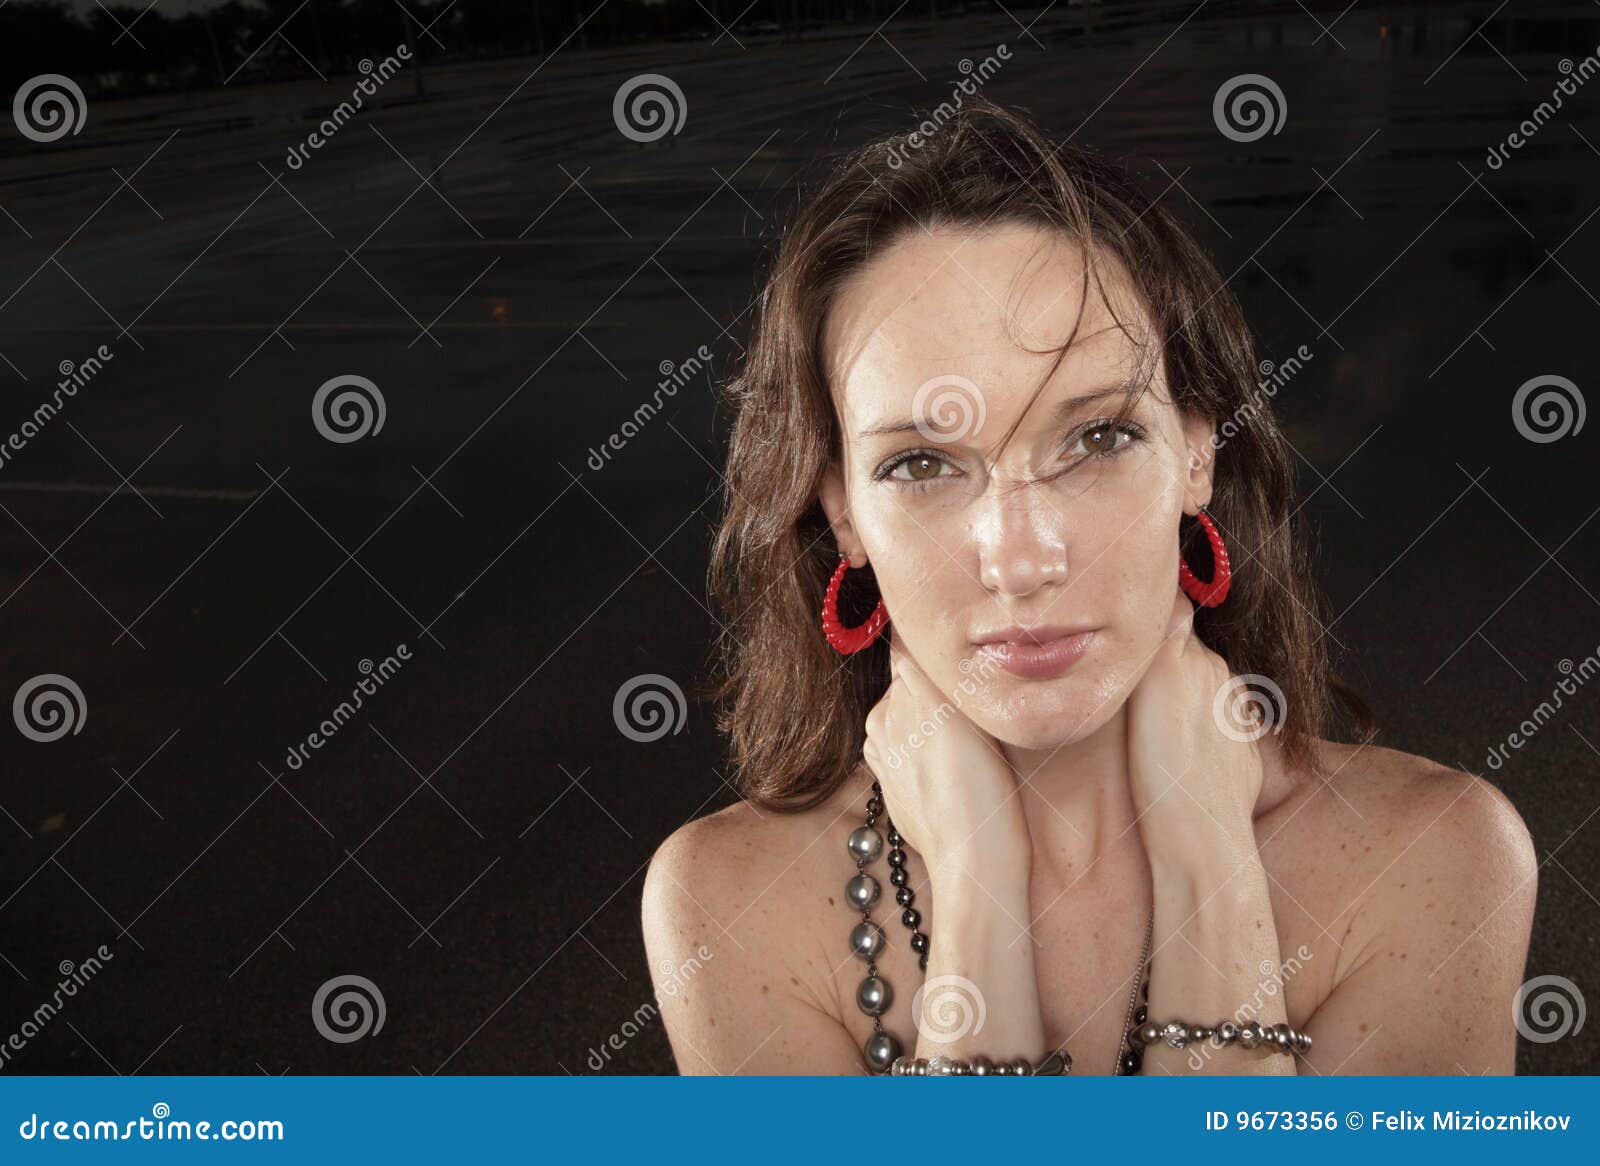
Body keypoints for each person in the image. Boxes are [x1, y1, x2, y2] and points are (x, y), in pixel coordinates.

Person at [641, 99, 1536, 1076]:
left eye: (1098, 438)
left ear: (1196, 452)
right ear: (843, 511)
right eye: (922, 464)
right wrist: (980, 887)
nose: (1021, 559)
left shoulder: (1435, 858)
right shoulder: (724, 904)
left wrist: (1209, 858)